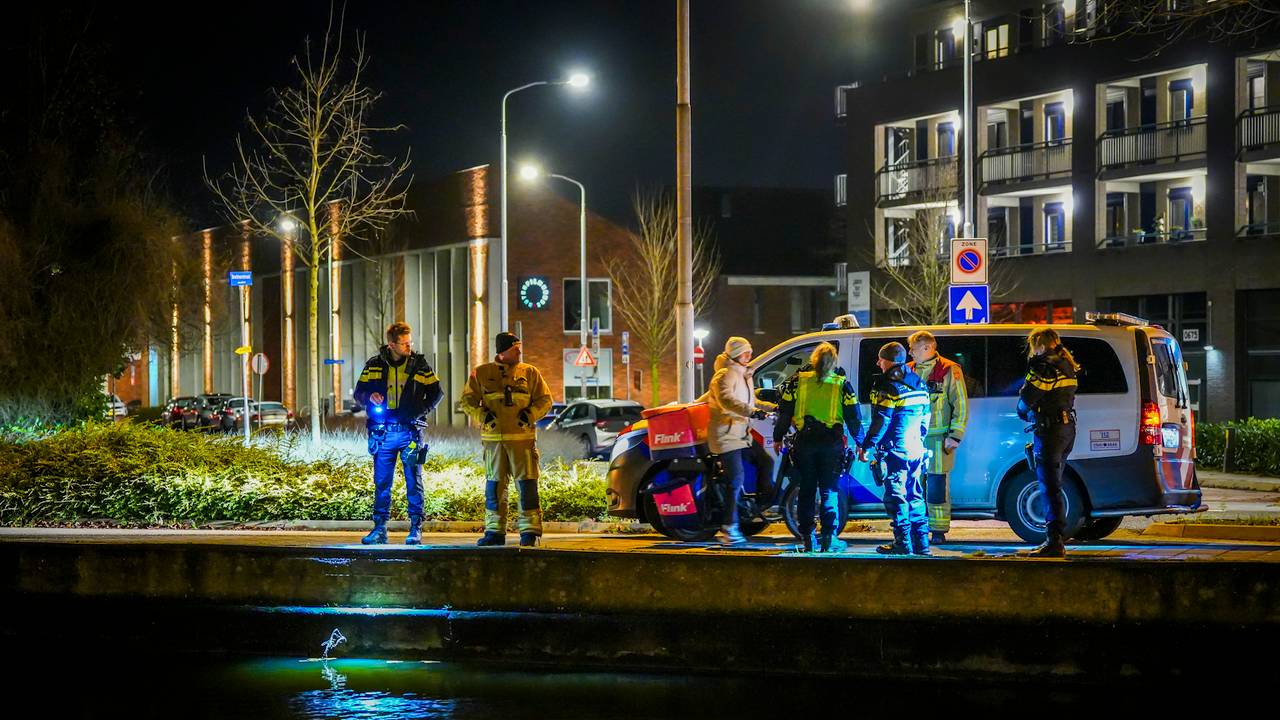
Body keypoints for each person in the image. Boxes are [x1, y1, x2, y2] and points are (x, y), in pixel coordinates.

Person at [352, 322, 444, 545]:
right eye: (404, 344)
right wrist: (369, 397)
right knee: (382, 483)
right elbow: (359, 393)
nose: (409, 347)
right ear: (391, 345)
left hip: (410, 432)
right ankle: (380, 529)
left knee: (414, 482)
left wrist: (420, 411)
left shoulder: (420, 365)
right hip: (382, 433)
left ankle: (416, 528)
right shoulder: (374, 365)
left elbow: (437, 393)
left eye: (410, 343)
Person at [461, 332, 553, 547]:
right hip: (494, 442)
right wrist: (482, 415)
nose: (519, 352)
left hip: (523, 441)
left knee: (527, 484)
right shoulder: (481, 373)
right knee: (494, 486)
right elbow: (467, 400)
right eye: (515, 349)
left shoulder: (530, 373)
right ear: (502, 352)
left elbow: (545, 399)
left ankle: (530, 532)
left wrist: (529, 415)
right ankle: (494, 531)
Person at [774, 342, 860, 553]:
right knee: (829, 490)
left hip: (805, 442)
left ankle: (808, 539)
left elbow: (785, 412)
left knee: (806, 490)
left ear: (813, 359)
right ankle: (829, 538)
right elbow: (853, 417)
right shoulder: (842, 384)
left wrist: (778, 437)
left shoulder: (797, 381)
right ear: (834, 361)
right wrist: (862, 444)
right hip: (831, 444)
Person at [857, 342, 932, 556]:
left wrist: (867, 446)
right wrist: (920, 439)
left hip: (896, 450)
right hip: (916, 448)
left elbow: (881, 420)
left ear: (889, 361)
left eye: (881, 359)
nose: (878, 363)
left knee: (896, 496)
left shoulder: (888, 386)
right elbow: (926, 418)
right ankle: (922, 544)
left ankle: (903, 543)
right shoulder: (919, 383)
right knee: (915, 494)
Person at [705, 336, 776, 546]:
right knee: (735, 479)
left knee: (766, 461)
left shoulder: (744, 374)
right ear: (736, 354)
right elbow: (727, 400)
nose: (750, 355)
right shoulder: (724, 375)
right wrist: (753, 412)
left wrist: (773, 408)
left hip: (742, 433)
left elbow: (752, 401)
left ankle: (760, 507)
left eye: (750, 352)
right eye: (746, 352)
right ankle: (729, 527)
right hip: (726, 435)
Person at [1016, 327, 1080, 558]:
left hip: (1050, 431)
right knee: (1055, 484)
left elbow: (1027, 399)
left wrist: (1022, 409)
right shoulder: (1066, 364)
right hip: (1066, 429)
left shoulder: (1043, 367)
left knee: (1049, 487)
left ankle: (1054, 542)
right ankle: (1056, 538)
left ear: (1040, 345)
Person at [907, 330, 968, 545]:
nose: (910, 353)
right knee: (913, 485)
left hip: (939, 440)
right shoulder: (909, 370)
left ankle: (938, 530)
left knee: (936, 486)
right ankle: (916, 528)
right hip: (912, 439)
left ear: (927, 348)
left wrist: (955, 436)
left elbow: (960, 404)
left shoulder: (949, 369)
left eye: (913, 349)